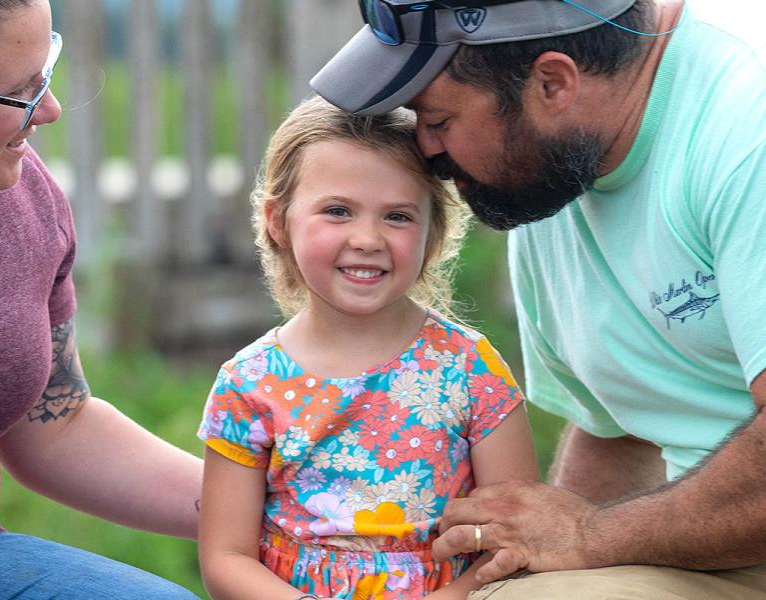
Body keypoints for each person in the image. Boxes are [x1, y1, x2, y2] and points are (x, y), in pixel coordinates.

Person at [309, 0, 766, 598]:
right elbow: (615, 429)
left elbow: (587, 530)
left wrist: (593, 538)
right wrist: (538, 553)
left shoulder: (743, 127)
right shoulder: (550, 173)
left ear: (553, 83)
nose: (425, 150)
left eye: (439, 120)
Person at [196, 95, 539, 600]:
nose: (367, 238)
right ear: (277, 221)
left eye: (397, 216)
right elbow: (226, 559)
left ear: (434, 232)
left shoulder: (471, 370)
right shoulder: (248, 385)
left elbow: (515, 539)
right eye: (338, 211)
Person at [0, 1, 202, 597]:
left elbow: (56, 424)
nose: (49, 110)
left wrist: (290, 507)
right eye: (22, 90)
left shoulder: (23, 199)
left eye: (47, 74)